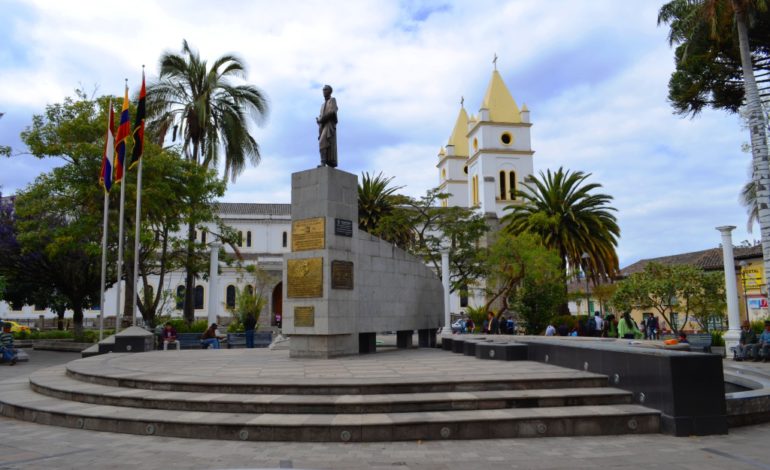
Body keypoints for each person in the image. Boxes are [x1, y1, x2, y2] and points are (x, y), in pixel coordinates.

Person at [317, 84, 338, 168]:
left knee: (323, 142)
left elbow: (332, 112)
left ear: (330, 91)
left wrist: (322, 119)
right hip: (323, 126)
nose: (324, 91)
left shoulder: (332, 100)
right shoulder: (322, 105)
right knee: (322, 142)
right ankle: (324, 162)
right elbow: (321, 116)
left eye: (325, 90)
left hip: (329, 125)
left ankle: (323, 162)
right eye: (323, 90)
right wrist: (319, 121)